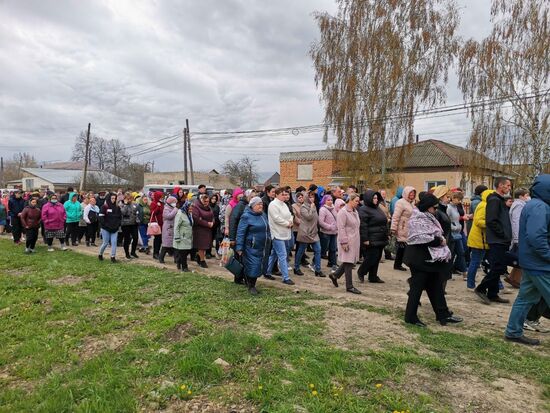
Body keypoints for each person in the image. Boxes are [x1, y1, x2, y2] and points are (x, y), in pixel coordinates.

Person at [403, 193, 463, 327]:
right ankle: (410, 316)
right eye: (434, 208)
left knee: (435, 286)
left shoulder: (428, 217)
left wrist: (439, 240)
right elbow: (421, 238)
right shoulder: (418, 218)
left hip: (430, 259)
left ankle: (443, 314)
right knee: (416, 288)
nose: (436, 210)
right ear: (427, 207)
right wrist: (439, 240)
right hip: (418, 259)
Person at [504, 174, 550, 346]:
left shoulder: (535, 204)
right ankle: (513, 331)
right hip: (541, 264)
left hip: (532, 263)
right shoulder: (540, 207)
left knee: (525, 299)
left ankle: (513, 332)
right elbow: (536, 237)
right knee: (526, 299)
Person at [475, 177, 513, 305]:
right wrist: (502, 234)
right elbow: (491, 220)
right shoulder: (494, 200)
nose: (509, 188)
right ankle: (481, 288)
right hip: (497, 240)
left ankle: (493, 293)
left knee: (499, 266)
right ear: (501, 186)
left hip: (501, 240)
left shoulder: (500, 200)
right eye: (507, 185)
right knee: (498, 267)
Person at [236, 197, 271, 295]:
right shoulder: (246, 216)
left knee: (259, 265)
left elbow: (267, 228)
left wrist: (269, 238)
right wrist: (239, 247)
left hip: (263, 246)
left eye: (261, 204)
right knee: (253, 265)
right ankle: (251, 286)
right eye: (258, 204)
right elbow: (240, 232)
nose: (260, 206)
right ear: (252, 206)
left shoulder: (263, 215)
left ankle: (249, 282)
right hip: (251, 246)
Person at [328, 194, 362, 294]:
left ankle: (335, 275)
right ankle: (349, 286)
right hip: (347, 241)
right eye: (356, 201)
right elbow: (341, 228)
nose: (358, 202)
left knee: (349, 261)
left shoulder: (355, 212)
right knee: (348, 263)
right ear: (350, 201)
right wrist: (344, 242)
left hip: (354, 240)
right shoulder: (343, 212)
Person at [357, 190, 389, 283]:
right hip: (371, 238)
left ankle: (373, 276)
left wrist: (387, 234)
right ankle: (361, 271)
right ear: (369, 198)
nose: (376, 200)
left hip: (380, 237)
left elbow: (382, 222)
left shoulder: (377, 208)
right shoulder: (363, 209)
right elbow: (363, 226)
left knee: (377, 258)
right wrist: (365, 239)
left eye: (376, 198)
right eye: (374, 198)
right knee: (372, 257)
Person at [466, 189, 494, 289]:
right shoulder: (484, 206)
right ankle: (470, 284)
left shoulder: (485, 204)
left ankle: (498, 285)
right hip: (479, 239)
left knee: (488, 261)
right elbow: (478, 221)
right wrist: (491, 224)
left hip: (482, 238)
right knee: (475, 262)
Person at [266, 187, 295, 285]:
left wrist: (290, 221)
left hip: (284, 232)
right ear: (277, 195)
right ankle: (285, 277)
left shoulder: (284, 204)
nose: (285, 196)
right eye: (283, 194)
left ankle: (267, 271)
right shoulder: (273, 205)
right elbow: (276, 218)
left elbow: (290, 214)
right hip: (277, 233)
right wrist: (287, 223)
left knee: (274, 254)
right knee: (283, 255)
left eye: (286, 194)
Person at [294, 191, 324, 277]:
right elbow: (309, 217)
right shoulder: (303, 207)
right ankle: (296, 268)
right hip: (305, 232)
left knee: (318, 250)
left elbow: (316, 218)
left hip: (314, 232)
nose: (312, 198)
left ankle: (318, 270)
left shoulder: (313, 206)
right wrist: (311, 208)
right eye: (310, 197)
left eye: (313, 197)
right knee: (301, 250)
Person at [505, 188, 531, 288]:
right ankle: (515, 279)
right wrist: (517, 238)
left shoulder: (519, 205)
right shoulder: (519, 205)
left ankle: (513, 278)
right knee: (521, 258)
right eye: (526, 195)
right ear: (521, 196)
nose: (528, 197)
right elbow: (516, 222)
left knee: (519, 259)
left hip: (519, 236)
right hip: (519, 236)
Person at [390, 186, 416, 271]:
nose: (412, 195)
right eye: (410, 193)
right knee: (402, 246)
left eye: (413, 193)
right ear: (406, 193)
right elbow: (396, 216)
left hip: (410, 228)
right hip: (402, 227)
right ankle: (398, 264)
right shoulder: (400, 202)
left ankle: (399, 264)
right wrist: (393, 228)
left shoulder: (412, 203)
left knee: (405, 247)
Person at [447, 192, 468, 279]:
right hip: (452, 234)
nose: (459, 201)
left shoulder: (455, 207)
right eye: (458, 199)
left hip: (457, 234)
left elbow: (456, 219)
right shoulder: (448, 208)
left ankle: (464, 272)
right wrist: (455, 227)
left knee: (461, 252)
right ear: (454, 198)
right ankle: (448, 274)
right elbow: (447, 221)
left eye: (460, 200)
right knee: (451, 254)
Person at [192, 194, 214, 268]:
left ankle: (199, 256)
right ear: (201, 200)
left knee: (205, 246)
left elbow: (212, 215)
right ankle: (202, 260)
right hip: (199, 230)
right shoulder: (196, 207)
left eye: (208, 201)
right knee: (201, 246)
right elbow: (197, 219)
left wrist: (212, 222)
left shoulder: (208, 207)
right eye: (205, 201)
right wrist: (207, 223)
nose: (206, 203)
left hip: (207, 229)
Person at [98, 193, 121, 263]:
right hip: (105, 228)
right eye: (112, 198)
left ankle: (113, 257)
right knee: (105, 243)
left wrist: (118, 225)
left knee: (114, 243)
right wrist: (106, 225)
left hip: (115, 228)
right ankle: (100, 254)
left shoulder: (117, 207)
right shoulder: (104, 207)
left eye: (115, 198)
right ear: (109, 199)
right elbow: (101, 217)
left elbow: (120, 217)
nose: (113, 200)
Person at [319, 194, 338, 271]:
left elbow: (336, 218)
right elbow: (321, 222)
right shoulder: (322, 209)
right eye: (328, 200)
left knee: (333, 249)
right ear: (324, 201)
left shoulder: (333, 208)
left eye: (331, 200)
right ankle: (314, 263)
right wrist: (330, 227)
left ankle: (333, 265)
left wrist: (336, 227)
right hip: (325, 233)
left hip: (334, 232)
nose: (330, 201)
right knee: (323, 250)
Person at [173, 201, 194, 271]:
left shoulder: (189, 214)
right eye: (190, 208)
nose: (191, 210)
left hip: (188, 236)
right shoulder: (180, 214)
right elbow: (176, 226)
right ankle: (184, 267)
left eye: (192, 208)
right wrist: (177, 237)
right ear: (186, 207)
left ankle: (179, 261)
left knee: (187, 251)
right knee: (183, 252)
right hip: (182, 236)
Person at [120, 192, 141, 259]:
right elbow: (123, 212)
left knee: (135, 238)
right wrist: (126, 204)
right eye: (127, 198)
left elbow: (136, 213)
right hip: (125, 224)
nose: (129, 200)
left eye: (130, 198)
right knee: (127, 239)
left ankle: (133, 252)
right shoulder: (121, 204)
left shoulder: (134, 204)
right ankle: (127, 253)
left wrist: (137, 219)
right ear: (125, 198)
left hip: (134, 224)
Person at [159, 195, 178, 264]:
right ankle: (161, 258)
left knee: (175, 245)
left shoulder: (173, 208)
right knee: (166, 245)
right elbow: (168, 216)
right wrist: (175, 210)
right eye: (173, 202)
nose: (175, 204)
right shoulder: (166, 209)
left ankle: (176, 259)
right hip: (167, 228)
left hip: (173, 228)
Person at [149, 191, 164, 259]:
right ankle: (155, 253)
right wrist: (157, 207)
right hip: (156, 224)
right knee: (157, 239)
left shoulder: (161, 203)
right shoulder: (153, 203)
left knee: (160, 239)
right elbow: (153, 213)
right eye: (160, 197)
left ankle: (158, 252)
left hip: (161, 223)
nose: (161, 198)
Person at [208, 194, 221, 259]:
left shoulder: (217, 207)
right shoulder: (208, 206)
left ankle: (216, 252)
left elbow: (218, 215)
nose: (213, 200)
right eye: (212, 198)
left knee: (216, 239)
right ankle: (208, 252)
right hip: (209, 224)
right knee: (209, 239)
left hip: (216, 224)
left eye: (215, 199)